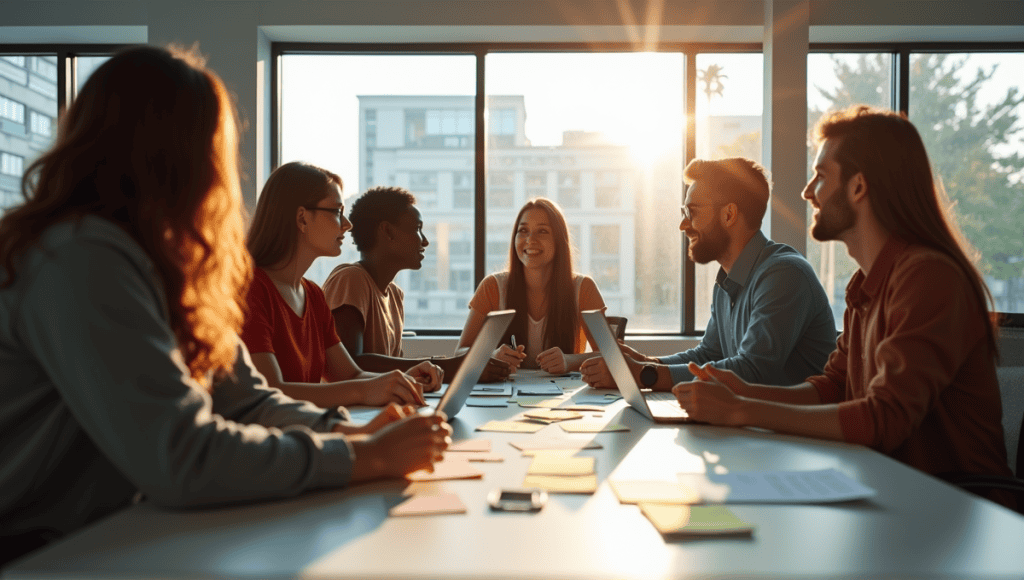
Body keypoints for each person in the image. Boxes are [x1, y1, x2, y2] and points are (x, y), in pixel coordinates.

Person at [0, 46, 451, 565]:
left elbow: (248, 401)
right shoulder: (80, 256)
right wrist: (358, 456)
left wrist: (349, 430)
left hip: (104, 533)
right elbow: (181, 456)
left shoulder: (167, 265)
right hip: (31, 551)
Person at [673, 106, 1013, 500]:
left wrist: (742, 410)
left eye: (820, 176)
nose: (806, 192)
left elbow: (884, 418)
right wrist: (744, 393)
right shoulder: (865, 281)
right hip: (887, 487)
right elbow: (834, 386)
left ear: (858, 187)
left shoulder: (929, 277)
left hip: (956, 506)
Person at [580, 157, 836, 391]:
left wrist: (645, 374)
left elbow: (751, 370)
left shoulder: (784, 275)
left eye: (692, 212)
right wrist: (647, 362)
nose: (683, 224)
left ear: (729, 214)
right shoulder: (727, 281)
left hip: (793, 438)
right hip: (756, 430)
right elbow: (707, 355)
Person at [242, 163, 445, 408]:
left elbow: (352, 375)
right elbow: (270, 393)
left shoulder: (313, 295)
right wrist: (365, 391)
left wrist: (403, 380)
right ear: (302, 219)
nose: (347, 224)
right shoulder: (252, 291)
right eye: (337, 211)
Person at [322, 186, 510, 382]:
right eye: (417, 229)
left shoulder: (394, 295)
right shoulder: (351, 279)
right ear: (387, 231)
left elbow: (394, 373)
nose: (425, 241)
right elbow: (350, 366)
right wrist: (449, 368)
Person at [457, 197, 606, 374]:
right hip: (504, 396)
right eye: (523, 231)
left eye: (542, 231)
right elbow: (460, 352)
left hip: (563, 398)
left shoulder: (584, 288)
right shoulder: (492, 287)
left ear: (559, 240)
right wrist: (491, 356)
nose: (530, 239)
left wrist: (570, 361)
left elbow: (612, 356)